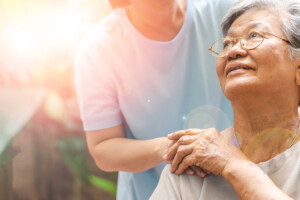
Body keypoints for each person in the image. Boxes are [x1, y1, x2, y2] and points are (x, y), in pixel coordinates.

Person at [74, 0, 235, 199]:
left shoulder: (226, 10)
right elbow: (103, 147)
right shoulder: (99, 48)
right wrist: (170, 148)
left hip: (234, 186)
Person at [150, 0, 300, 199]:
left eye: (254, 35)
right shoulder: (194, 163)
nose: (233, 51)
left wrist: (232, 163)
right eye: (227, 43)